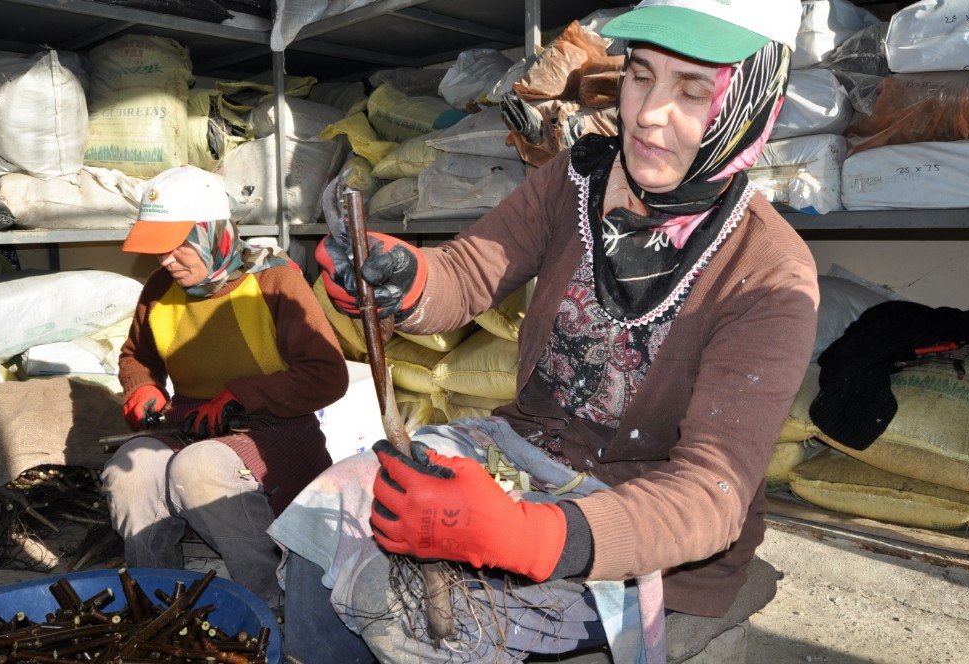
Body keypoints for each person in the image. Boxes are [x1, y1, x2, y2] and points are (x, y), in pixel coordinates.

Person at [297, 0, 817, 659]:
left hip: (638, 526)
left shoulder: (770, 274)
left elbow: (708, 497)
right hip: (519, 454)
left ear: (754, 102)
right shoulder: (577, 180)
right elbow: (469, 270)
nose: (648, 113)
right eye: (640, 76)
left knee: (424, 629)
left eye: (692, 90)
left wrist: (526, 537)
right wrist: (406, 277)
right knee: (330, 515)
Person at [102, 165, 348, 606]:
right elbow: (136, 357)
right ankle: (160, 605)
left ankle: (270, 600)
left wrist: (244, 395)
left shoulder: (275, 280)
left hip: (274, 429)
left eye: (176, 248)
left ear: (211, 233)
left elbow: (327, 375)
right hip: (194, 423)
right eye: (158, 250)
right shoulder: (160, 289)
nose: (164, 262)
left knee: (199, 470)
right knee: (131, 470)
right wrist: (142, 388)